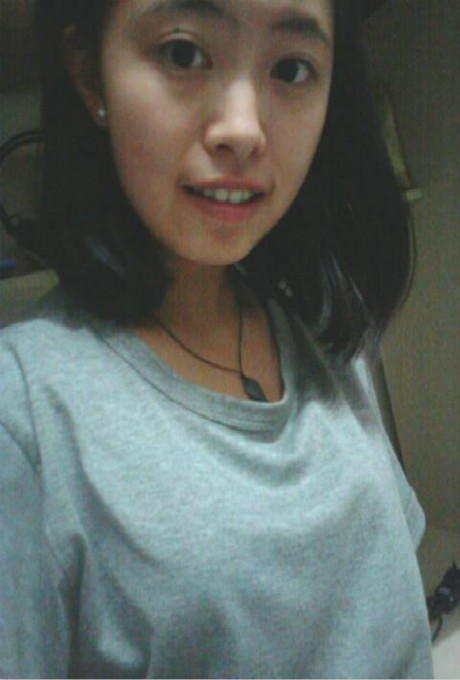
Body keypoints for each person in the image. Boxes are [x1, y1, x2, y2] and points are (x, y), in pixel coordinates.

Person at [0, 0, 434, 677]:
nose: (243, 129)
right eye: (184, 53)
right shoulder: (25, 416)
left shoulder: (323, 326)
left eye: (292, 69)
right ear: (88, 73)